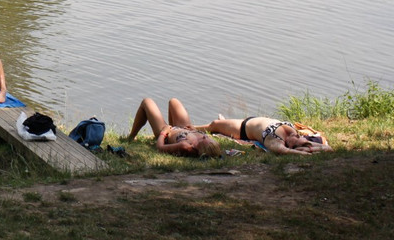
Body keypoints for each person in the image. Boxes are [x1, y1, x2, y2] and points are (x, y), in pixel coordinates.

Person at [126, 97, 222, 158]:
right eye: (207, 137)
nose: (205, 136)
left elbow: (160, 148)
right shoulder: (209, 144)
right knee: (174, 101)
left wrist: (163, 133)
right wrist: (195, 130)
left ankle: (131, 137)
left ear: (201, 150)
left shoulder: (186, 146)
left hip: (168, 132)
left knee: (147, 102)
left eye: (204, 139)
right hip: (184, 128)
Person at [197, 116, 332, 155]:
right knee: (217, 123)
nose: (297, 136)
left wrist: (303, 152)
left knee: (214, 125)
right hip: (253, 119)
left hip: (243, 128)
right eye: (299, 137)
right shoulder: (294, 136)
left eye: (296, 140)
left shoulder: (275, 141)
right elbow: (328, 148)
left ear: (290, 145)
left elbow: (284, 151)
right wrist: (308, 147)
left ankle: (192, 129)